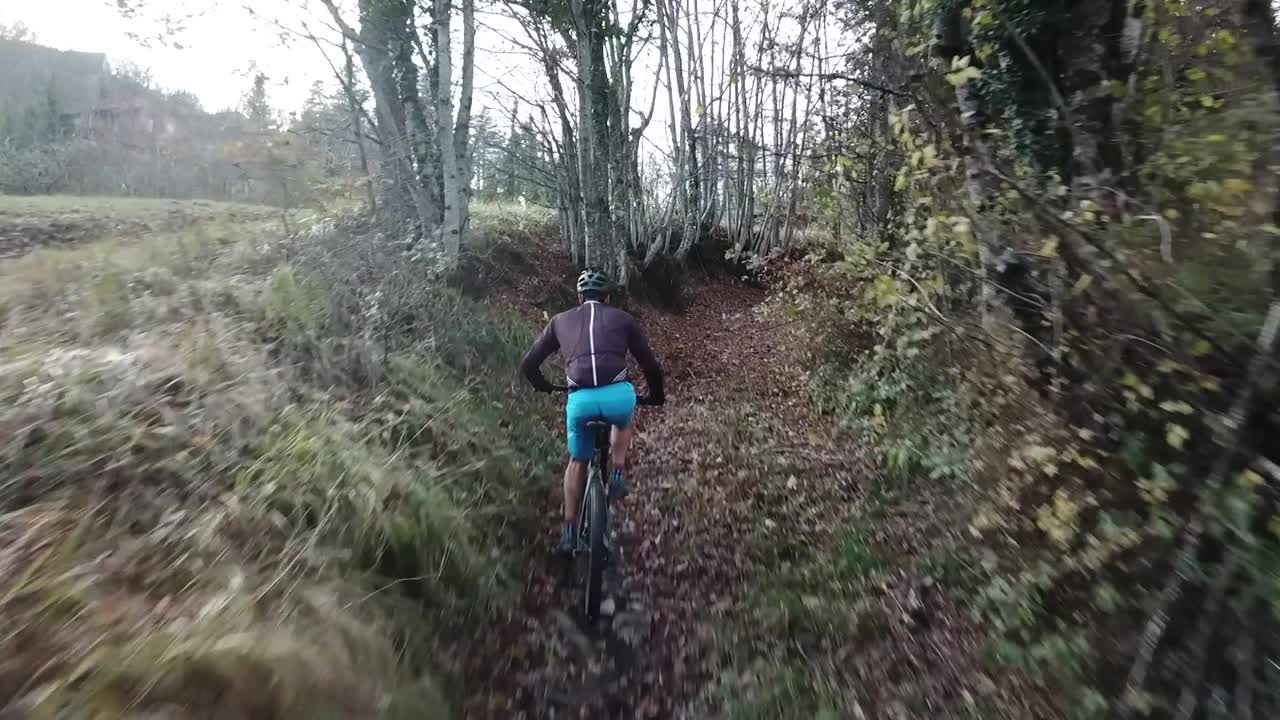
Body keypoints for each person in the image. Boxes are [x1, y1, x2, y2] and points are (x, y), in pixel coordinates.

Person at [520, 268, 665, 553]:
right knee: (623, 420)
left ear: (578, 296)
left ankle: (569, 530)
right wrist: (656, 396)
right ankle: (619, 473)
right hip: (617, 398)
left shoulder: (560, 321)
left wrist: (544, 386)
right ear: (608, 297)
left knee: (577, 461)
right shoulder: (624, 319)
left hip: (580, 401)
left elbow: (529, 364)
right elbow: (650, 365)